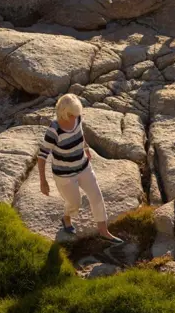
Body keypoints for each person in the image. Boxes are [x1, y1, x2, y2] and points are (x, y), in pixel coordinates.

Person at [37, 94, 123, 244]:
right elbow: (42, 156)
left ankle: (104, 231)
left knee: (96, 196)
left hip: (83, 167)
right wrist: (43, 181)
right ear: (64, 112)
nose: (76, 117)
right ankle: (66, 217)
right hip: (65, 175)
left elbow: (80, 134)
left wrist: (86, 147)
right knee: (75, 203)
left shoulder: (77, 118)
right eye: (72, 114)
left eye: (77, 114)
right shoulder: (54, 130)